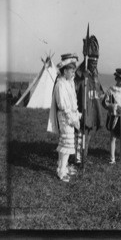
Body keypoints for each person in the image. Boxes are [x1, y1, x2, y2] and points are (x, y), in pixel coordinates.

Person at [47, 53, 81, 182]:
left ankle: (63, 167)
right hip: (65, 117)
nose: (73, 72)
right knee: (66, 144)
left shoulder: (68, 83)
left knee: (65, 143)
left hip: (70, 115)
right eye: (71, 70)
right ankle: (61, 171)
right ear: (65, 70)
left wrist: (76, 114)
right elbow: (63, 105)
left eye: (73, 70)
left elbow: (73, 101)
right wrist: (72, 119)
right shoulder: (60, 84)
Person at [74, 35, 104, 165]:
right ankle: (78, 158)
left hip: (93, 106)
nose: (94, 64)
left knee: (89, 132)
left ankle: (84, 155)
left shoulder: (95, 72)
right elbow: (74, 87)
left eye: (96, 62)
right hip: (82, 107)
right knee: (80, 133)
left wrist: (103, 95)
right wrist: (82, 78)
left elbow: (98, 87)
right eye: (92, 62)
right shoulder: (80, 71)